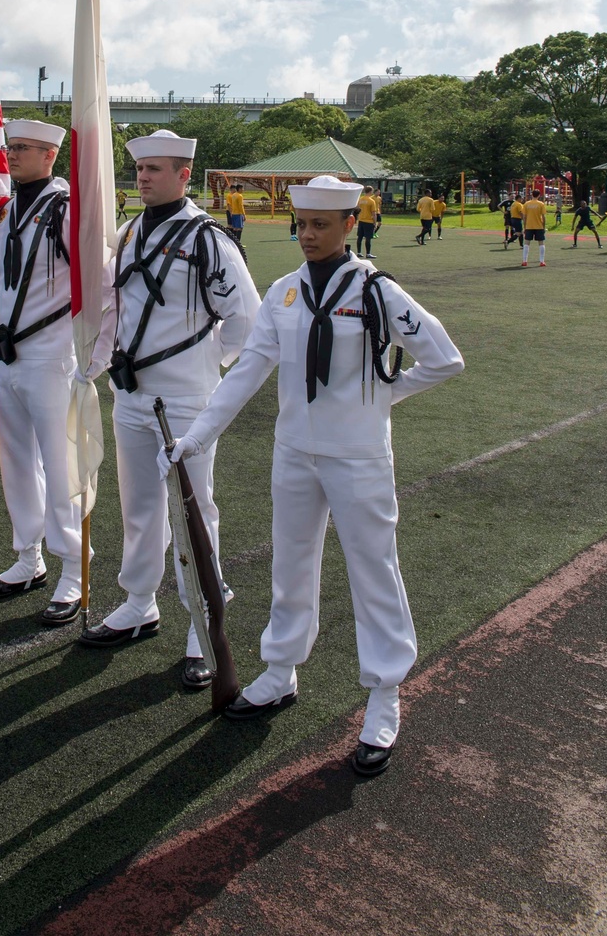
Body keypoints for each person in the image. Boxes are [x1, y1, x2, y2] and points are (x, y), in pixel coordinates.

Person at [164, 175, 463, 774]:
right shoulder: (283, 293)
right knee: (290, 562)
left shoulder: (376, 291)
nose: (306, 235)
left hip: (358, 457)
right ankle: (279, 670)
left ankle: (384, 696)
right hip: (295, 451)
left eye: (319, 225)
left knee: (373, 570)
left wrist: (383, 398)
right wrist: (196, 437)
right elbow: (248, 371)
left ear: (349, 225)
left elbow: (444, 358)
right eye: (300, 224)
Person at [80, 129, 261, 689]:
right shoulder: (131, 231)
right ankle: (139, 601)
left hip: (185, 401)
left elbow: (248, 323)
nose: (145, 177)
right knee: (138, 506)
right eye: (141, 169)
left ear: (185, 175)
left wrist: (204, 368)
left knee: (193, 510)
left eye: (156, 169)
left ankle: (204, 620)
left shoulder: (210, 240)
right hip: (132, 395)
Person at [0, 118, 84, 625]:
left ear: (49, 155)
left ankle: (73, 569)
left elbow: (94, 284)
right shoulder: (5, 212)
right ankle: (28, 555)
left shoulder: (65, 209)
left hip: (50, 356)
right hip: (8, 357)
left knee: (61, 466)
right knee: (16, 460)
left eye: (20, 148)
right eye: (8, 147)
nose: (10, 155)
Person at [520, 189, 548, 267]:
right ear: (539, 195)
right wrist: (543, 227)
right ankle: (542, 261)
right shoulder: (541, 204)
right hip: (539, 226)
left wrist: (524, 227)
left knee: (526, 243)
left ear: (532, 195)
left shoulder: (526, 204)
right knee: (541, 243)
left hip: (529, 226)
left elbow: (524, 217)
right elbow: (543, 216)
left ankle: (525, 261)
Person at [355, 186, 380, 258]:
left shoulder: (360, 199)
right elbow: (374, 213)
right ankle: (368, 253)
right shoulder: (371, 201)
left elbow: (357, 209)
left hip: (361, 220)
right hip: (368, 221)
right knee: (368, 238)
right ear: (370, 191)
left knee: (360, 237)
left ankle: (359, 252)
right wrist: (374, 223)